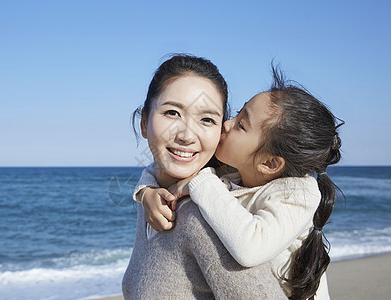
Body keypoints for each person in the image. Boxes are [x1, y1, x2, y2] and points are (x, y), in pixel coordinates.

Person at [136, 65, 343, 300]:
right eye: (237, 114)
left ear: (270, 163)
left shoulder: (297, 194)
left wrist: (200, 182)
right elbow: (161, 167)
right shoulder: (237, 170)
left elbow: (250, 248)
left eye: (241, 125)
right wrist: (146, 192)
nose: (226, 124)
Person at [122, 54, 287, 299]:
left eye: (207, 119)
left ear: (222, 132)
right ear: (145, 122)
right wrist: (145, 193)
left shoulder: (207, 219)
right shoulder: (152, 201)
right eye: (172, 113)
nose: (187, 135)